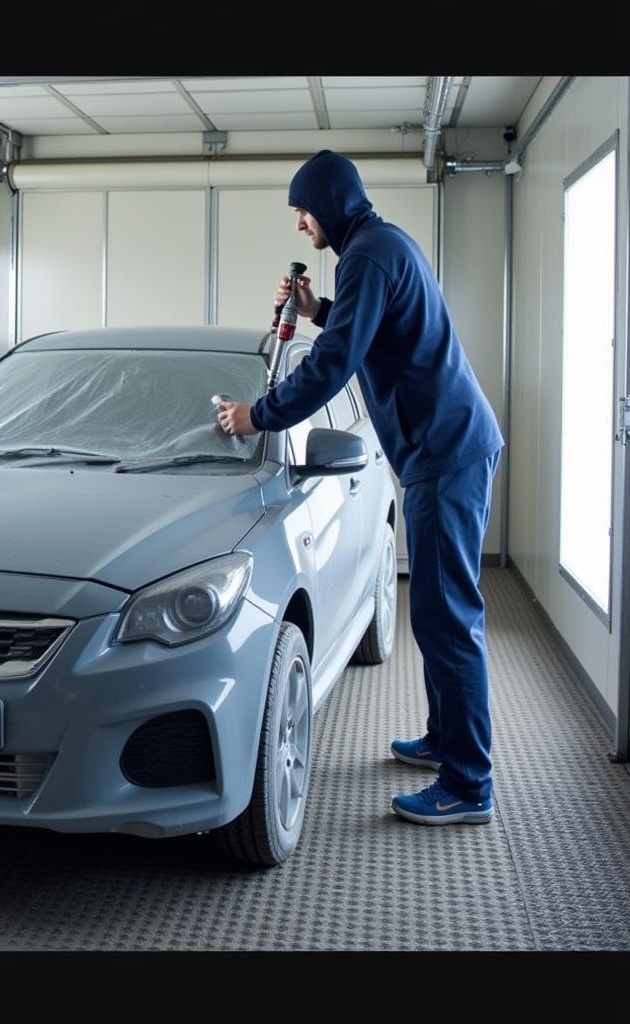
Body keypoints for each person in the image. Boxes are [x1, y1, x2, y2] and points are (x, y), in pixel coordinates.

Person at [217, 149, 504, 825]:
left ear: (328, 204)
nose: (299, 226)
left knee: (447, 616)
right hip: (446, 447)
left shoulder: (367, 255)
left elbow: (336, 363)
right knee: (437, 609)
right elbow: (372, 332)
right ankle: (445, 740)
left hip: (447, 452)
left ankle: (470, 784)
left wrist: (256, 415)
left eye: (302, 211)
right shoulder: (377, 247)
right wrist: (321, 309)